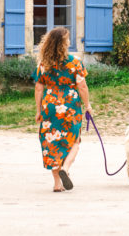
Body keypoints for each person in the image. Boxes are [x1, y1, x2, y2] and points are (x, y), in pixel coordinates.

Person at [34, 27, 91, 192]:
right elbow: (82, 86)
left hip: (50, 106)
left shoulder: (44, 64)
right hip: (70, 106)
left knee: (52, 141)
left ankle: (57, 184)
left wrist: (38, 111)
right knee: (74, 141)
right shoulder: (75, 62)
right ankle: (65, 168)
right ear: (63, 44)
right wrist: (87, 106)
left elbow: (38, 88)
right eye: (67, 40)